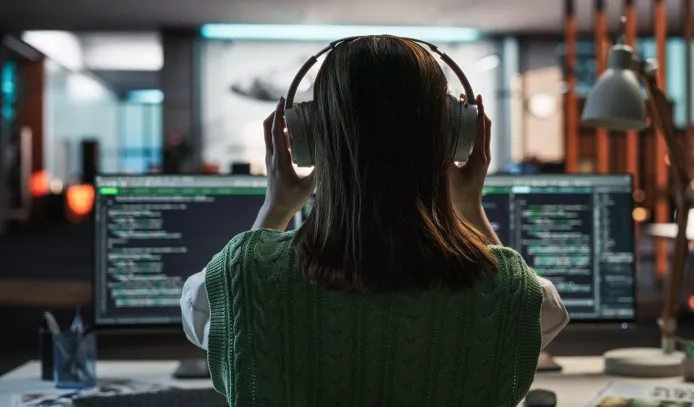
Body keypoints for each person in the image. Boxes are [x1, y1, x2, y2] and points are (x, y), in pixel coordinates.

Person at [181, 36, 569, 406]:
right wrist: (470, 205)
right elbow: (530, 310)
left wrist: (277, 208)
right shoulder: (516, 294)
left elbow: (221, 305)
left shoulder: (236, 282)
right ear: (457, 138)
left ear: (306, 140)